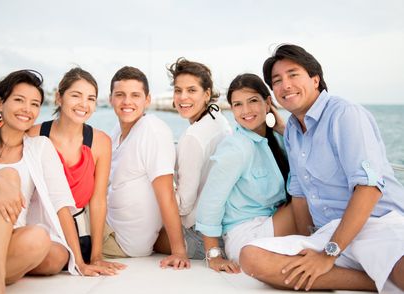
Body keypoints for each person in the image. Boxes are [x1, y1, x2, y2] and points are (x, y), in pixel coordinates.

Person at [240, 44, 404, 292]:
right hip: (328, 234)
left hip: (375, 225)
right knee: (251, 258)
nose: (285, 85)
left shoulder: (345, 114)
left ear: (315, 79)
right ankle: (374, 280)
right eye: (277, 80)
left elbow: (369, 190)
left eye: (293, 74)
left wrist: (328, 255)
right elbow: (299, 195)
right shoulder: (293, 131)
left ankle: (383, 274)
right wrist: (310, 243)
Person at [0, 70, 80, 294]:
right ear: (0, 103)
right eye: (19, 100)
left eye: (35, 104)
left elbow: (60, 202)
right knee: (8, 176)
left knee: (48, 247)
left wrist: (79, 261)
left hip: (2, 241)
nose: (27, 109)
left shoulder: (40, 147)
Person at [28, 68, 126, 276]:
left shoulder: (100, 142)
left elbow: (98, 200)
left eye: (91, 98)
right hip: (40, 224)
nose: (84, 104)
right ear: (59, 98)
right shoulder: (34, 135)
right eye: (76, 95)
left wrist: (97, 255)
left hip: (79, 231)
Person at [195, 73, 296, 273]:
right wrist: (214, 255)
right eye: (238, 104)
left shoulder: (279, 138)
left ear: (268, 103)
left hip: (272, 222)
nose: (246, 110)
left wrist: (283, 128)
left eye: (253, 101)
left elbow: (310, 158)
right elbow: (210, 201)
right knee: (306, 202)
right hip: (246, 233)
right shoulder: (235, 148)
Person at [104, 66, 190, 269]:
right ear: (111, 99)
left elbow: (167, 193)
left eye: (135, 95)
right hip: (110, 224)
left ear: (147, 100)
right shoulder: (117, 131)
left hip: (121, 240)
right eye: (120, 95)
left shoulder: (151, 130)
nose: (127, 102)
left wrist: (178, 251)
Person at [154, 58, 231, 259]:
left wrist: (161, 189)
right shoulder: (219, 120)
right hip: (222, 228)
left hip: (199, 236)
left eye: (191, 90)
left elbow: (184, 205)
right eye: (178, 90)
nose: (182, 97)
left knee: (146, 238)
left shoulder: (192, 137)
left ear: (207, 94)